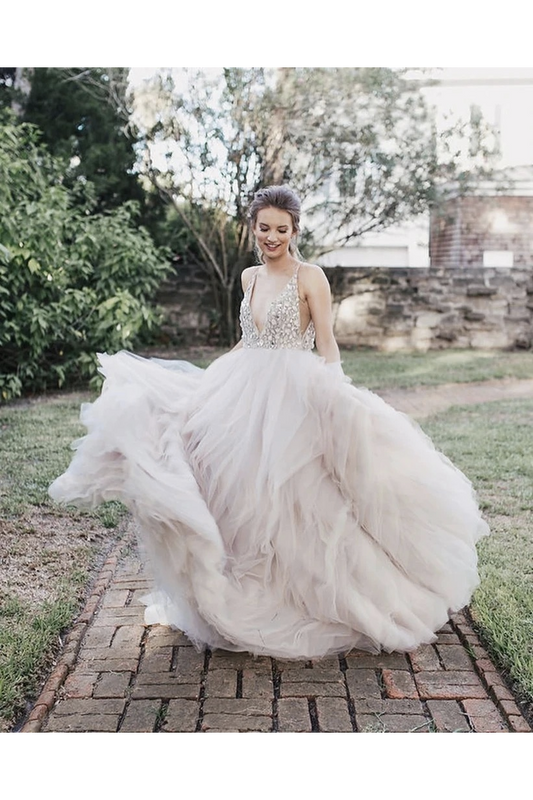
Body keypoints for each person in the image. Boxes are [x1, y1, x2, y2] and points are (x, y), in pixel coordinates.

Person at [49, 184, 490, 660]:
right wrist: (210, 382)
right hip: (243, 388)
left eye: (282, 229)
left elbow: (326, 342)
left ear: (294, 230)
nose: (272, 237)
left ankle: (312, 595)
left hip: (293, 393)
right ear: (253, 227)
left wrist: (335, 392)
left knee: (295, 495)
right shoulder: (248, 278)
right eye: (264, 228)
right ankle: (239, 587)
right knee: (227, 480)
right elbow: (248, 342)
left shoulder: (311, 277)